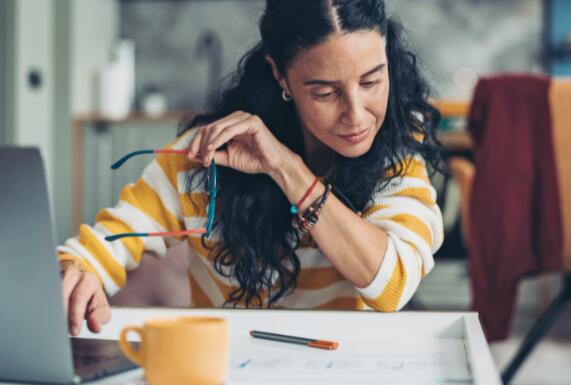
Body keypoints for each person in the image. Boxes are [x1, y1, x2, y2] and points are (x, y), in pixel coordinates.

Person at [58, 0, 444, 337]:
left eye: (372, 80)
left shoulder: (399, 155)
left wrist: (286, 169)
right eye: (324, 93)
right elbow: (108, 240)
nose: (357, 115)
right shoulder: (211, 154)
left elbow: (392, 285)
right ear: (280, 75)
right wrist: (80, 270)